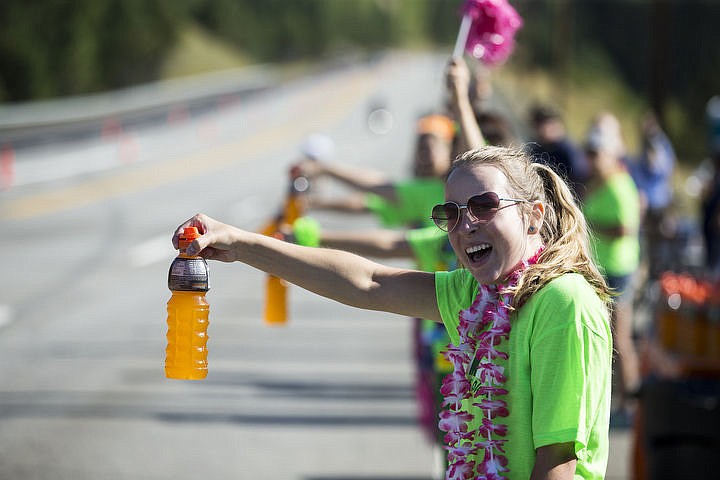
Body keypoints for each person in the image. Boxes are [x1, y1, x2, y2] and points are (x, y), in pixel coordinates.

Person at [173, 145, 613, 479]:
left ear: (533, 216)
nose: (466, 225)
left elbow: (559, 462)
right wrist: (241, 243)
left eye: (484, 205)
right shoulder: (479, 294)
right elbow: (369, 282)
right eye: (451, 214)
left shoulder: (563, 303)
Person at [580, 113, 642, 424]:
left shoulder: (620, 185)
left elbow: (626, 229)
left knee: (620, 337)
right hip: (602, 268)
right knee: (601, 336)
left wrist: (590, 226)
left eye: (595, 154)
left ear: (608, 155)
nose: (590, 160)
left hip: (619, 270)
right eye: (588, 154)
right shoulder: (598, 182)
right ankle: (616, 398)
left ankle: (632, 401)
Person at [625, 112, 677, 278]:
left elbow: (656, 168)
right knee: (648, 243)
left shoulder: (657, 144)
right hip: (649, 200)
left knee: (658, 243)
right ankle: (652, 274)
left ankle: (659, 275)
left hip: (657, 202)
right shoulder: (650, 143)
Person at [527, 104, 590, 199]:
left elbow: (579, 180)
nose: (541, 129)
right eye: (538, 125)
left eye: (545, 124)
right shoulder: (536, 148)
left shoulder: (568, 151)